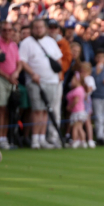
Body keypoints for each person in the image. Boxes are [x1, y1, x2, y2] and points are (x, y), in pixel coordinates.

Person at [19, 19, 63, 149]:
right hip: (35, 81)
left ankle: (42, 138)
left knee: (45, 110)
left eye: (41, 27)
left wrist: (59, 73)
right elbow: (23, 61)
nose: (38, 30)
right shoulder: (27, 43)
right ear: (32, 29)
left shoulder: (51, 41)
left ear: (45, 28)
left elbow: (58, 59)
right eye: (36, 28)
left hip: (52, 81)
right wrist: (32, 74)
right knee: (37, 110)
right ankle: (35, 139)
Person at [0, 21, 22, 149]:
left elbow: (19, 62)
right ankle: (0, 137)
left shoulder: (13, 45)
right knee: (2, 109)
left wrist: (16, 73)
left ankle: (5, 137)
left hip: (13, 79)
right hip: (1, 78)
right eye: (4, 30)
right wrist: (8, 77)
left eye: (9, 30)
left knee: (8, 109)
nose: (7, 32)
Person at [66, 71, 88, 148]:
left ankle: (75, 141)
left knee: (75, 127)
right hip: (81, 111)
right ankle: (83, 141)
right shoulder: (81, 89)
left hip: (77, 112)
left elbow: (76, 100)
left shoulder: (77, 90)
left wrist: (70, 106)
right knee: (80, 128)